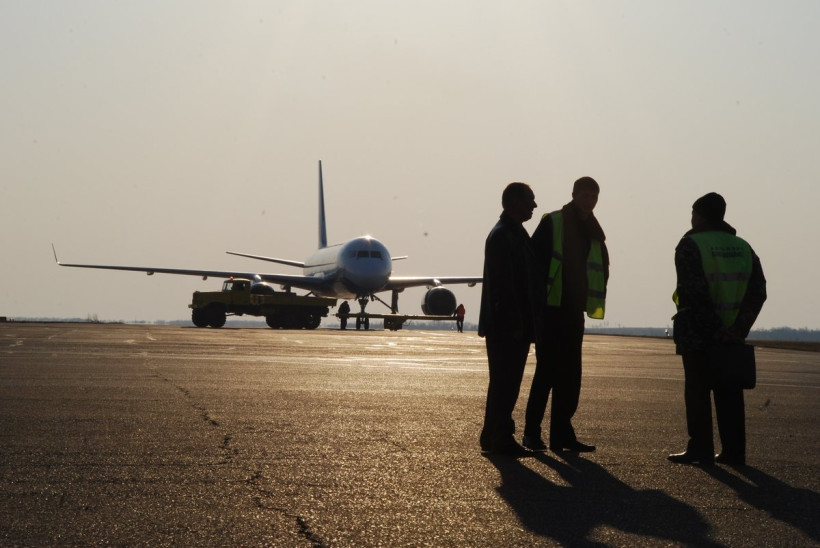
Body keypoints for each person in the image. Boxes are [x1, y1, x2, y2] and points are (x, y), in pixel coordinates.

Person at [668, 192, 766, 466]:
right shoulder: (743, 247)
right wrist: (737, 328)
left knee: (697, 391)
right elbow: (758, 291)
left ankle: (700, 447)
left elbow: (694, 292)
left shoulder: (690, 244)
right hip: (732, 335)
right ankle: (734, 452)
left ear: (698, 216)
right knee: (730, 392)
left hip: (698, 334)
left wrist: (714, 329)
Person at [523, 176, 609, 453]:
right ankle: (531, 433)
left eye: (593, 196)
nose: (589, 201)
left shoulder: (593, 228)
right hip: (551, 310)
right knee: (546, 373)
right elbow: (534, 263)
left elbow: (601, 266)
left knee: (570, 377)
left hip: (574, 312)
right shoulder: (553, 221)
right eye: (584, 195)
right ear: (574, 195)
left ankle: (561, 434)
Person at [478, 182, 538, 456]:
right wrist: (514, 323)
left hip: (511, 323)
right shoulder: (504, 235)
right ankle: (499, 437)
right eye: (529, 200)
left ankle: (492, 435)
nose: (534, 205)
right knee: (505, 383)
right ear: (514, 202)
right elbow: (504, 286)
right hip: (506, 325)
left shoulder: (514, 233)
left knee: (505, 383)